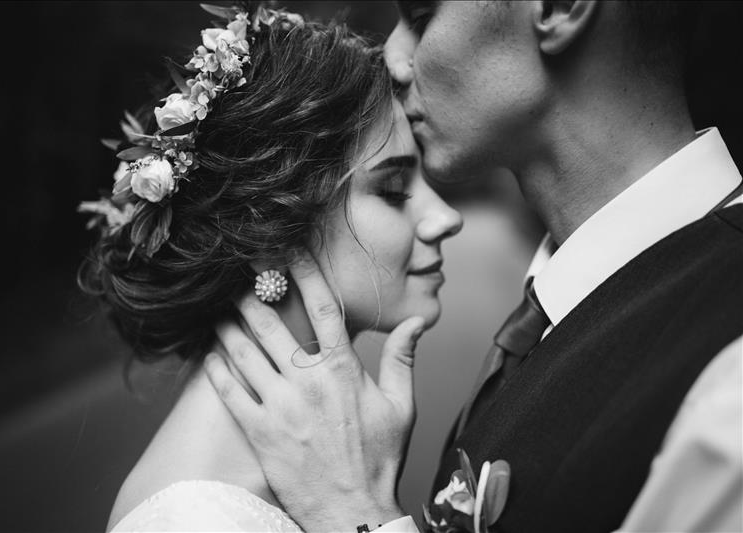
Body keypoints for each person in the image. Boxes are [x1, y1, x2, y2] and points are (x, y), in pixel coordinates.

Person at [207, 1, 743, 532]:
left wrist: (357, 514)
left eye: (421, 18)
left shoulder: (731, 378)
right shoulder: (562, 306)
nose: (391, 59)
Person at [77, 4, 462, 531]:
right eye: (394, 189)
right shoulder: (190, 522)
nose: (446, 217)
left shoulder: (324, 463)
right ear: (269, 228)